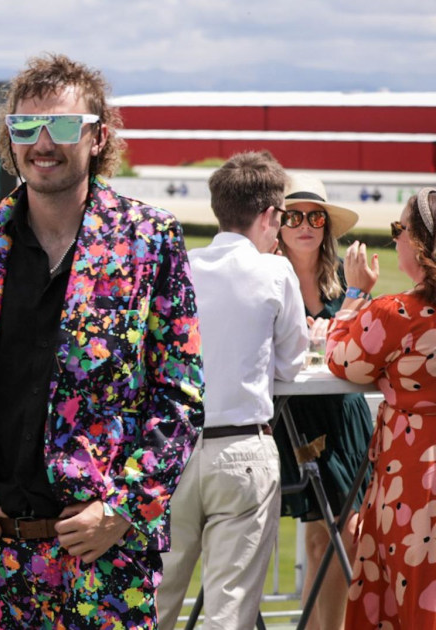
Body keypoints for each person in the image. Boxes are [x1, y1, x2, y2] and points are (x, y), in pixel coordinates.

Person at [0, 53, 204, 628]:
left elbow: (179, 396)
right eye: (25, 128)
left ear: (99, 136)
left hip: (104, 559)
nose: (42, 144)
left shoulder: (149, 240)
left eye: (61, 126)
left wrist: (125, 510)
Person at [156, 152, 309, 627]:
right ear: (268, 216)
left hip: (173, 450)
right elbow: (293, 362)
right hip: (242, 446)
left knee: (154, 604)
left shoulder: (180, 265)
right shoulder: (276, 272)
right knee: (228, 613)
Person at [325, 188, 436, 628]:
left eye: (399, 230)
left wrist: (354, 293)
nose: (395, 240)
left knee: (405, 591)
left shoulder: (398, 314)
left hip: (412, 474)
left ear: (421, 242)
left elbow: (340, 356)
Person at [273, 172, 374, 630]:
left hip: (344, 419)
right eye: (292, 215)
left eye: (315, 216)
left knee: (341, 537)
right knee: (324, 539)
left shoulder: (344, 286)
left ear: (327, 227)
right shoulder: (270, 282)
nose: (305, 224)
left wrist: (357, 298)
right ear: (276, 223)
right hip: (293, 420)